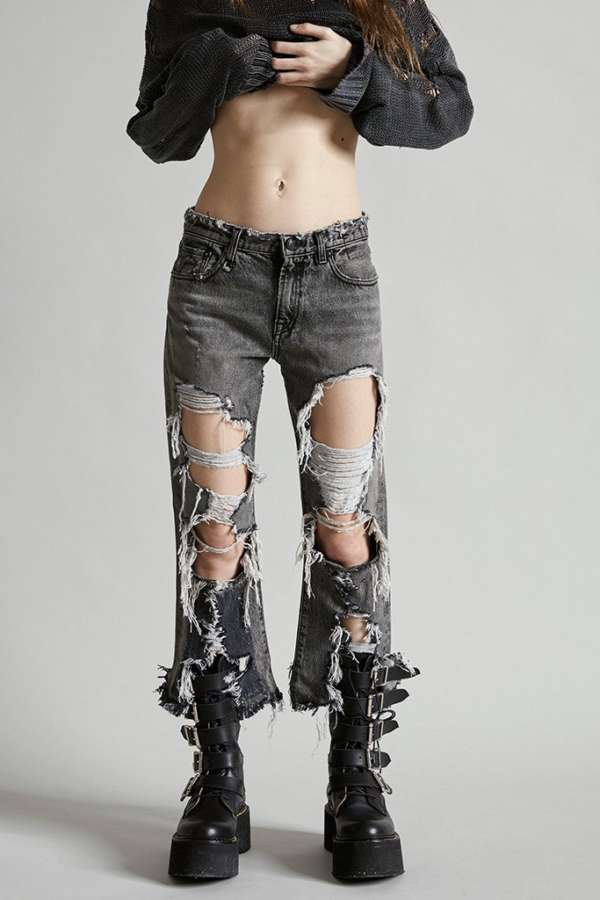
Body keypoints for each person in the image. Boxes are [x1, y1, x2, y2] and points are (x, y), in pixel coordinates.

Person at [126, 0, 473, 882]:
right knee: (213, 530)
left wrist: (350, 74)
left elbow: (448, 110)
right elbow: (156, 133)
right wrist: (221, 62)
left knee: (346, 524)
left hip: (336, 274)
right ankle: (218, 783)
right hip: (217, 275)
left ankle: (357, 780)